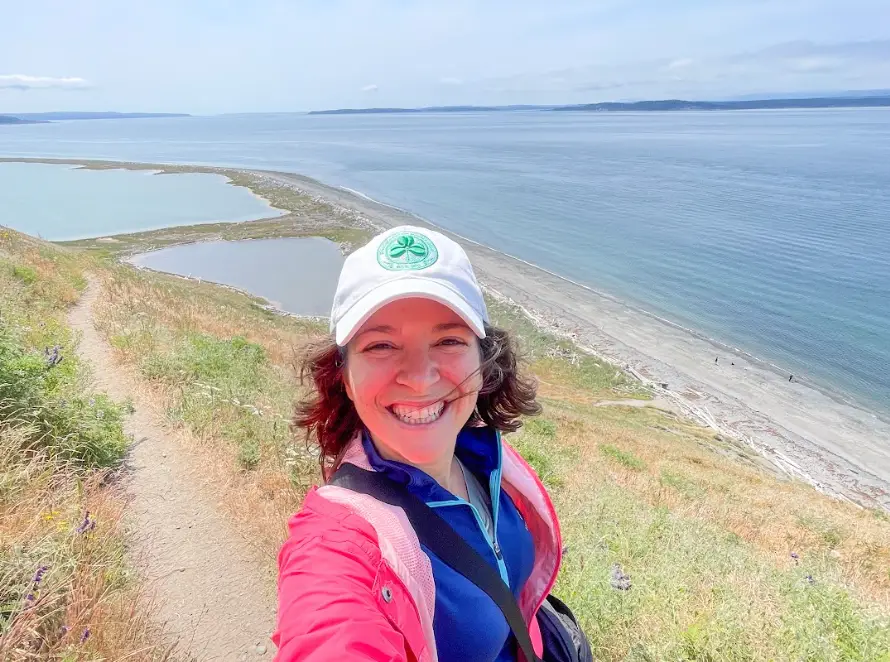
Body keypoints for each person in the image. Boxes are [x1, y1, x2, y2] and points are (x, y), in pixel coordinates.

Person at [273, 226, 562, 661]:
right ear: (344, 376)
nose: (420, 375)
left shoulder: (487, 460)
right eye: (382, 345)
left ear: (483, 363)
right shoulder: (339, 543)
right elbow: (331, 630)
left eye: (448, 341)